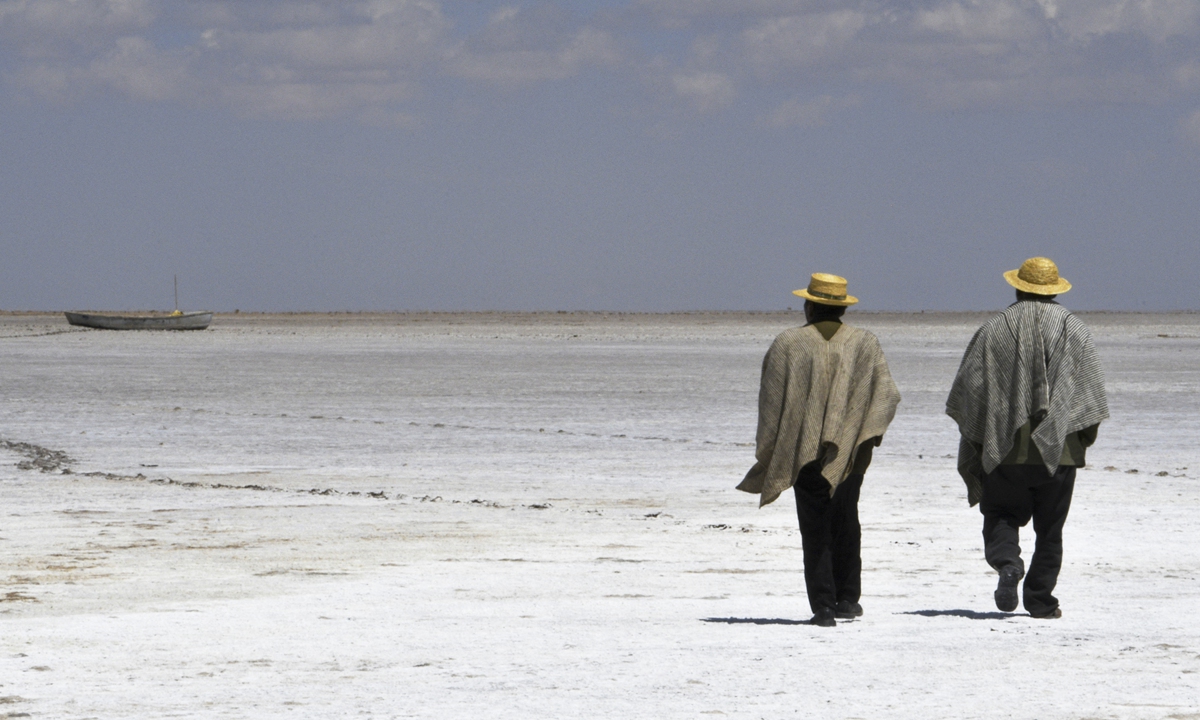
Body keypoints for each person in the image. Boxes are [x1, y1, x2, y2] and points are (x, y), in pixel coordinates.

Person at [946, 257, 1108, 619]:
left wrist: (981, 432)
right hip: (1061, 448)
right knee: (1050, 529)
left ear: (1018, 287)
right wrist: (1081, 439)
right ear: (1054, 290)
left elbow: (970, 387)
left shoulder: (994, 329)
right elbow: (1090, 393)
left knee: (1001, 513)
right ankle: (1041, 601)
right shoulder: (1075, 329)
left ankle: (1007, 563)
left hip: (1004, 446)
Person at [738, 273, 901, 627]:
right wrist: (864, 436)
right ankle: (847, 599)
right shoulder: (864, 343)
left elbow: (771, 403)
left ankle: (824, 607)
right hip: (851, 457)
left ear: (810, 305)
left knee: (815, 529)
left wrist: (773, 449)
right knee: (846, 524)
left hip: (803, 454)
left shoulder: (789, 343)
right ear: (841, 307)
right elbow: (886, 395)